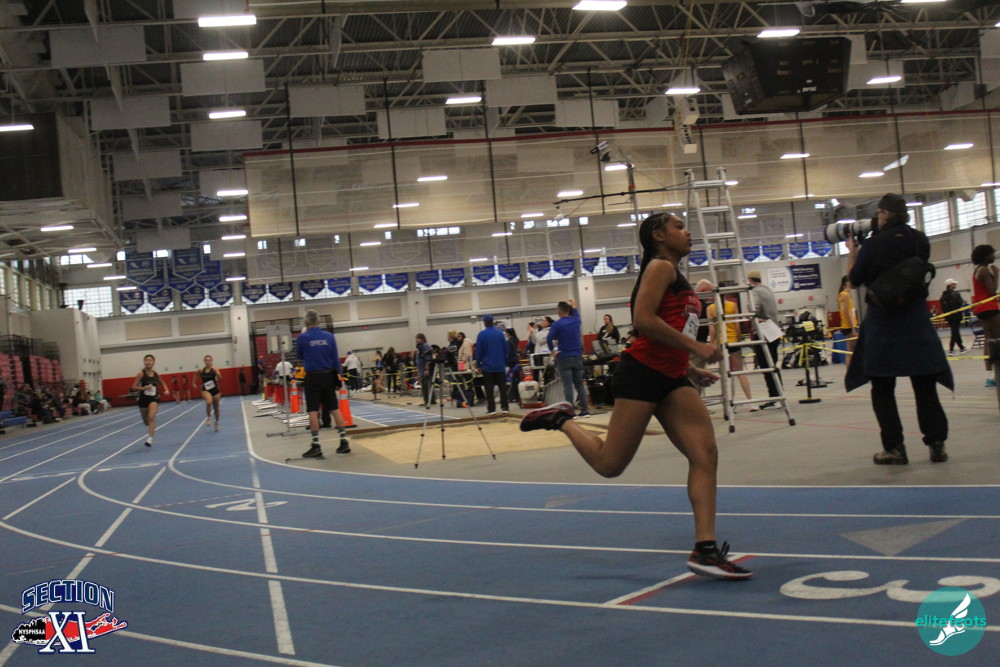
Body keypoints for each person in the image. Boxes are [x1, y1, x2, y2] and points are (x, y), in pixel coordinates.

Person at [519, 212, 749, 580]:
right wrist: (696, 347)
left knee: (705, 454)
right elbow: (643, 321)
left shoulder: (675, 274)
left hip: (672, 378)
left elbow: (666, 327)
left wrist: (689, 368)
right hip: (640, 374)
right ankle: (561, 419)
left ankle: (705, 549)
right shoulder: (660, 267)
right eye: (678, 226)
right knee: (610, 465)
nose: (687, 232)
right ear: (658, 235)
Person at [846, 193, 951, 464]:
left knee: (882, 387)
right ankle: (937, 445)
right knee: (925, 385)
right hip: (916, 320)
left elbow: (854, 280)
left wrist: (853, 252)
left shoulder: (873, 244)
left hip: (883, 322)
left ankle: (894, 448)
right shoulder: (920, 240)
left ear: (883, 214)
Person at [297, 309, 349, 458]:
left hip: (313, 377)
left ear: (306, 322)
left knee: (313, 410)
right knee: (334, 408)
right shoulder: (329, 336)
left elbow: (300, 356)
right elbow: (335, 358)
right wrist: (339, 378)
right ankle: (343, 442)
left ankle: (316, 445)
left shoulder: (302, 338)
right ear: (319, 321)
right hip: (328, 376)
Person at [707, 293, 752, 405]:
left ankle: (730, 402)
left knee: (726, 374)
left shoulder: (711, 308)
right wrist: (738, 339)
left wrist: (712, 345)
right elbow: (737, 325)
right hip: (733, 341)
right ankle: (751, 401)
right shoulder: (732, 305)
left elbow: (712, 330)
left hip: (720, 343)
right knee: (740, 372)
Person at [548, 299, 590, 417]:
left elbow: (549, 338)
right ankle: (585, 410)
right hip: (577, 356)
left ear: (559, 311)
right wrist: (574, 305)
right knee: (579, 384)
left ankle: (571, 412)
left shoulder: (557, 324)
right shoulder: (576, 320)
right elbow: (576, 313)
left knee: (568, 385)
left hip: (564, 357)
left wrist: (552, 352)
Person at [747, 269, 782, 411]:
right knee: (773, 365)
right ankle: (779, 395)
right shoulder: (768, 290)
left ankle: (774, 398)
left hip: (764, 332)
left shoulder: (755, 292)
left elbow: (753, 309)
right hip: (774, 331)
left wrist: (752, 317)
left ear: (750, 280)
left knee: (766, 367)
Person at [971, 245, 999, 387]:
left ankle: (990, 376)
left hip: (981, 308)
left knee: (989, 340)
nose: (994, 256)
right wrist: (997, 274)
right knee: (997, 339)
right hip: (990, 308)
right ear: (985, 255)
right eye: (991, 254)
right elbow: (992, 290)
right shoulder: (984, 270)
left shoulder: (977, 270)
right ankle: (995, 374)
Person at [130, 354, 170, 447]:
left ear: (153, 362)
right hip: (143, 400)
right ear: (144, 362)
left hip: (153, 399)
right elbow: (133, 387)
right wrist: (144, 388)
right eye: (146, 360)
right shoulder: (141, 374)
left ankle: (149, 439)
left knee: (151, 417)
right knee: (146, 422)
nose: (148, 362)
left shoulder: (156, 374)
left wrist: (166, 389)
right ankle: (150, 428)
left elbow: (162, 382)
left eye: (150, 360)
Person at [475, 315, 509, 414]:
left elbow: (479, 351)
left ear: (484, 323)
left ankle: (491, 409)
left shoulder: (481, 335)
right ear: (493, 322)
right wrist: (505, 362)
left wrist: (478, 365)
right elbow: (505, 349)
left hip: (488, 366)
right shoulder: (500, 334)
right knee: (502, 388)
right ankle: (505, 408)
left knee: (489, 389)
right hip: (500, 365)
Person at [193, 355, 222, 431]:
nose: (207, 362)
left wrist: (217, 373)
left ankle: (216, 422)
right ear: (204, 361)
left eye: (209, 360)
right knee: (209, 402)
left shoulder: (214, 369)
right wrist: (193, 383)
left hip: (215, 390)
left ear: (211, 361)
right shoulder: (201, 370)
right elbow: (196, 374)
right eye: (206, 360)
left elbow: (220, 377)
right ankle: (208, 418)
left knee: (216, 408)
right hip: (205, 390)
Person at [939, 278, 967, 356]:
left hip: (948, 317)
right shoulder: (955, 294)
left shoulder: (943, 296)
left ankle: (961, 347)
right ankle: (951, 350)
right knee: (954, 332)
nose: (956, 284)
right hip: (956, 316)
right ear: (950, 285)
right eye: (954, 283)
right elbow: (960, 303)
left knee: (955, 331)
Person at [837, 275, 860, 368]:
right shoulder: (845, 295)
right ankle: (851, 370)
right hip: (849, 326)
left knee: (851, 349)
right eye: (850, 281)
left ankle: (852, 369)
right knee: (852, 350)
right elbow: (847, 312)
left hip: (848, 325)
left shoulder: (844, 295)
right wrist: (853, 329)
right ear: (845, 283)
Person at [415, 334, 436, 407]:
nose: (416, 340)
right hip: (421, 369)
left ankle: (430, 400)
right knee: (424, 385)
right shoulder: (420, 347)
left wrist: (427, 369)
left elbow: (429, 358)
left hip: (425, 369)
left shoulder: (425, 346)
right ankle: (428, 400)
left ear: (422, 339)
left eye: (417, 338)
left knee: (427, 385)